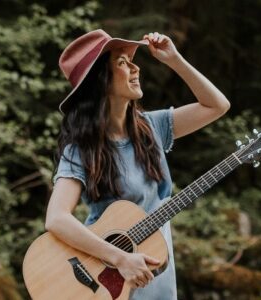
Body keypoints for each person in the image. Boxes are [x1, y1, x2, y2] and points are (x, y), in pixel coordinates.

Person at [45, 29, 230, 299]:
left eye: (132, 60)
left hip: (158, 280)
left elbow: (217, 106)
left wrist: (174, 59)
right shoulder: (81, 150)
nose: (135, 67)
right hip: (105, 280)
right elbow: (56, 218)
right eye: (122, 62)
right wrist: (119, 258)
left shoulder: (151, 128)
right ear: (101, 81)